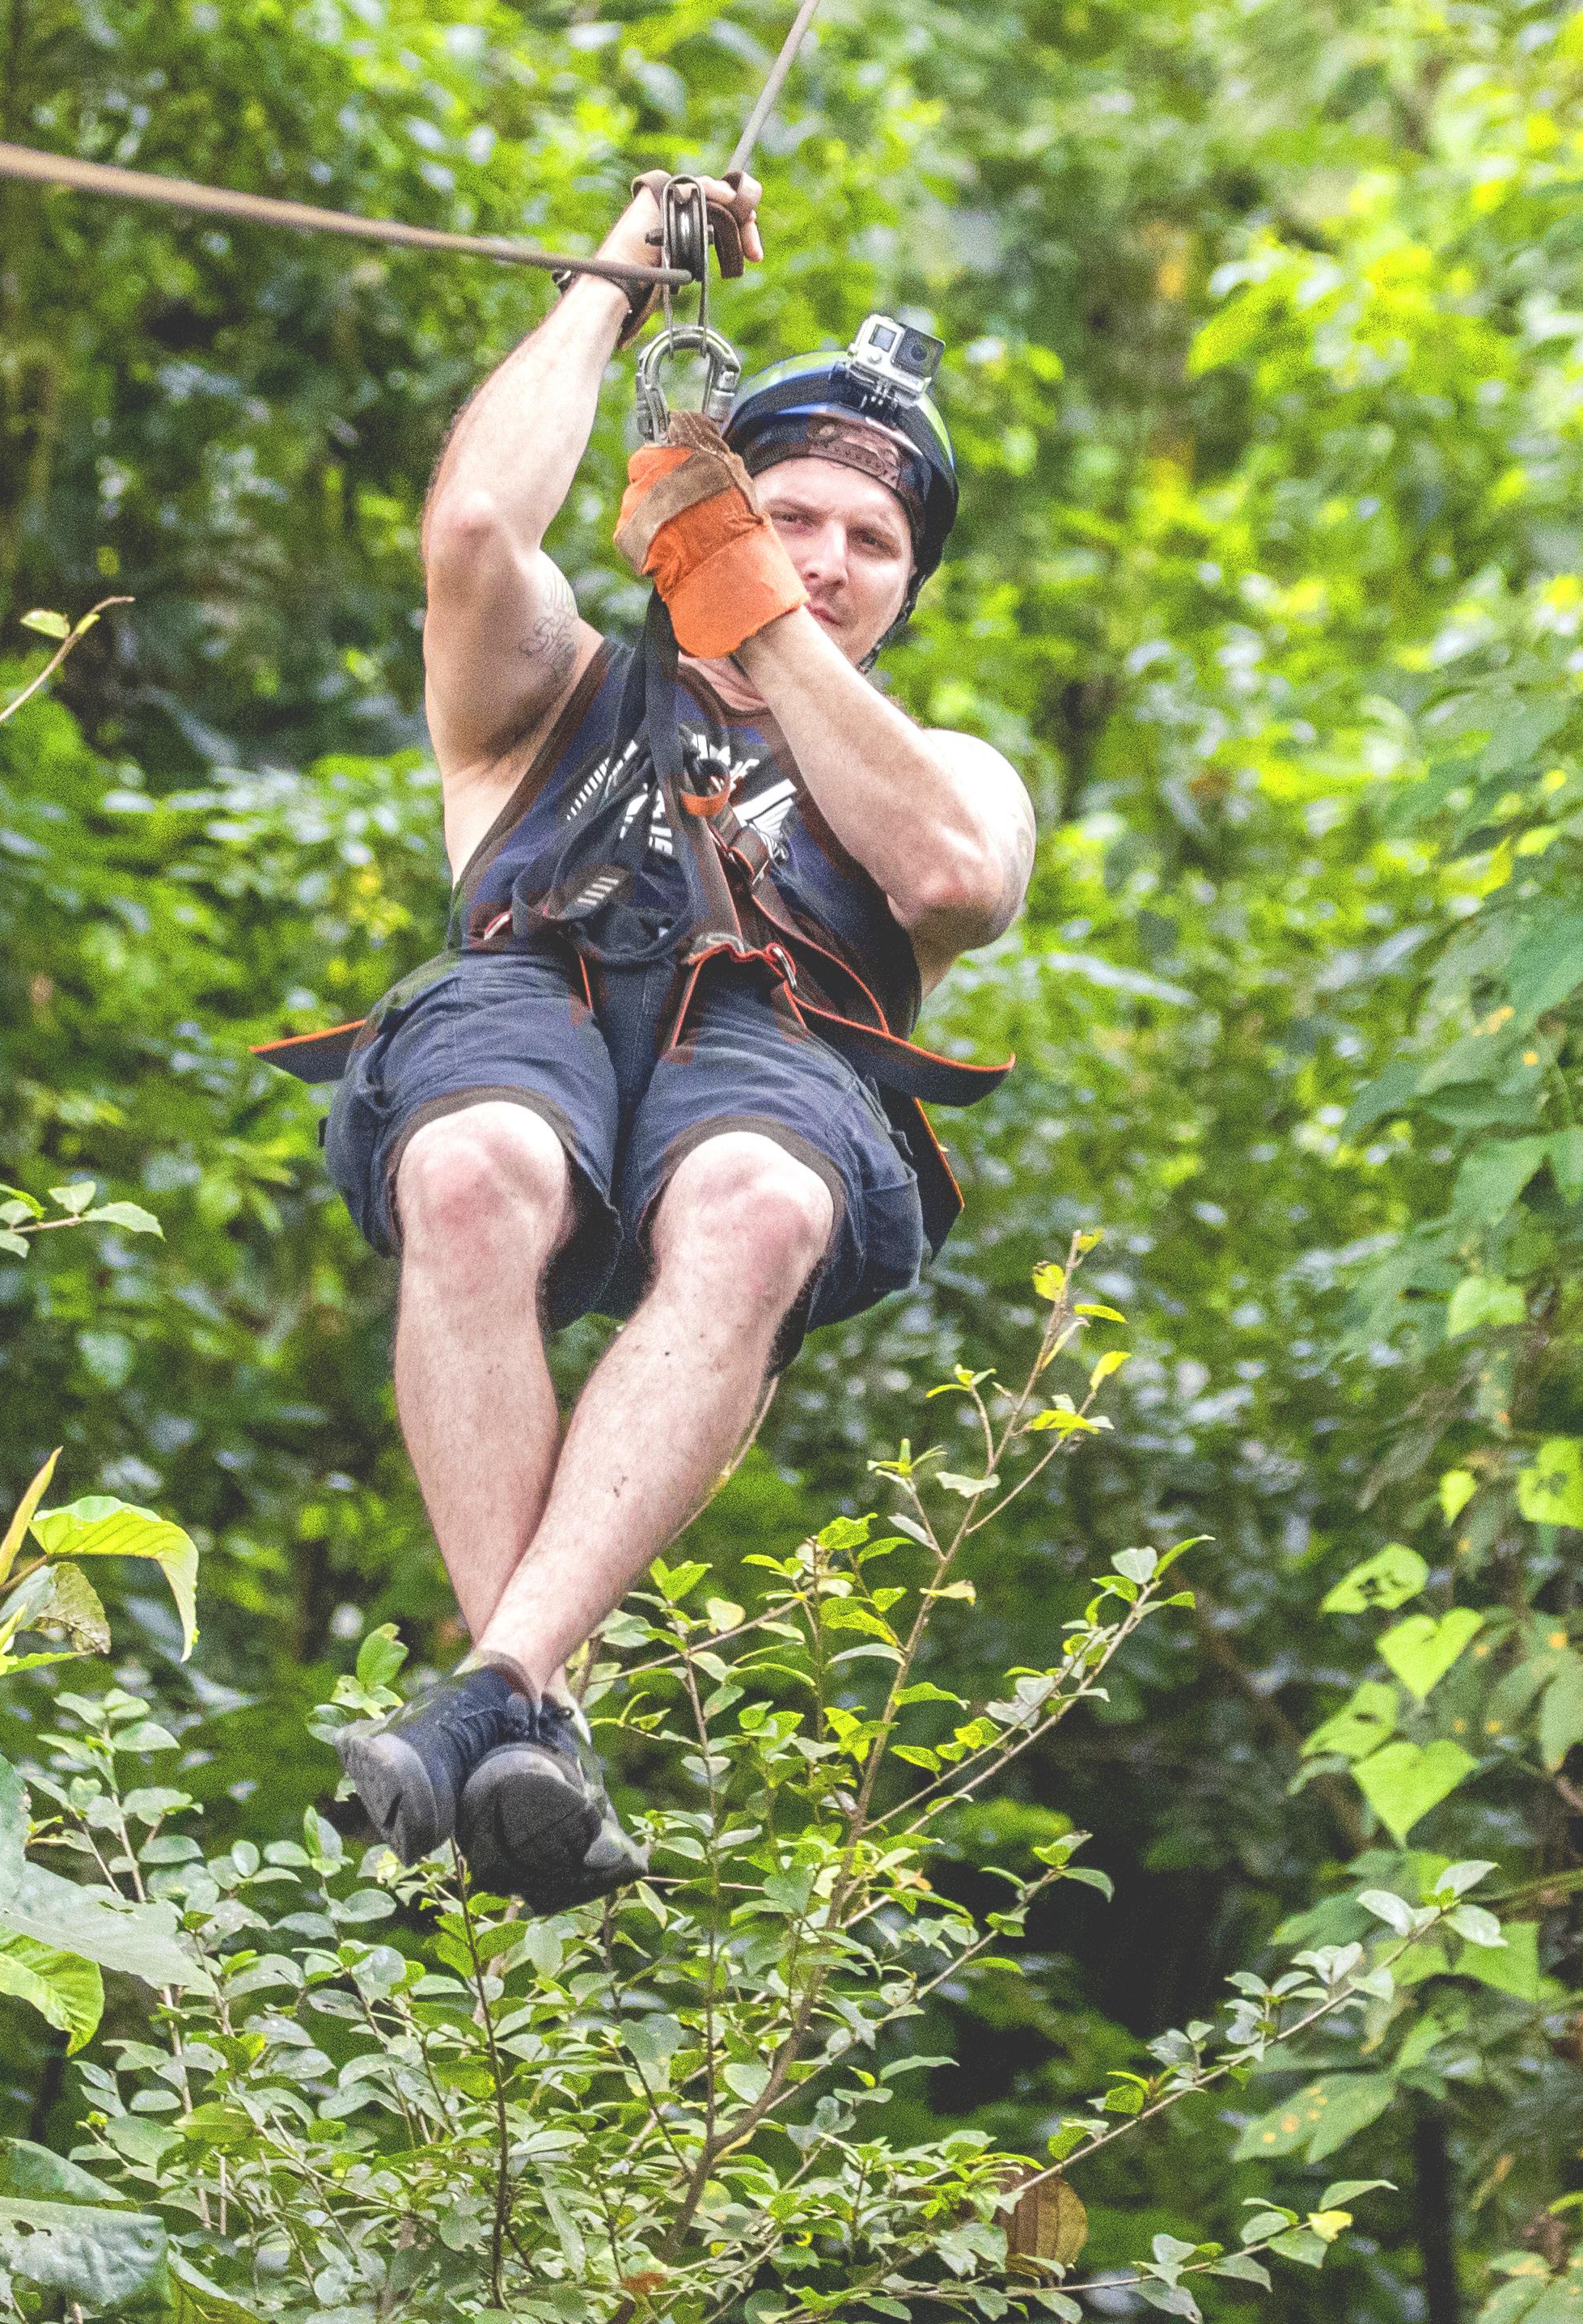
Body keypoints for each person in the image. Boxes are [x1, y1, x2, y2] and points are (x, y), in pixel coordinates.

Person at [262, 170, 1035, 1911]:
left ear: (909, 585)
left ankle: (485, 1703)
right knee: (469, 1166)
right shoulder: (555, 685)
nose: (826, 562)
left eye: (871, 543)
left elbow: (954, 874)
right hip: (528, 1005)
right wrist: (613, 284)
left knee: (761, 1205)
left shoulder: (943, 766)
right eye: (792, 515)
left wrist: (736, 584)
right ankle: (525, 1708)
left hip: (768, 1054)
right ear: (717, 496)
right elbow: (471, 536)